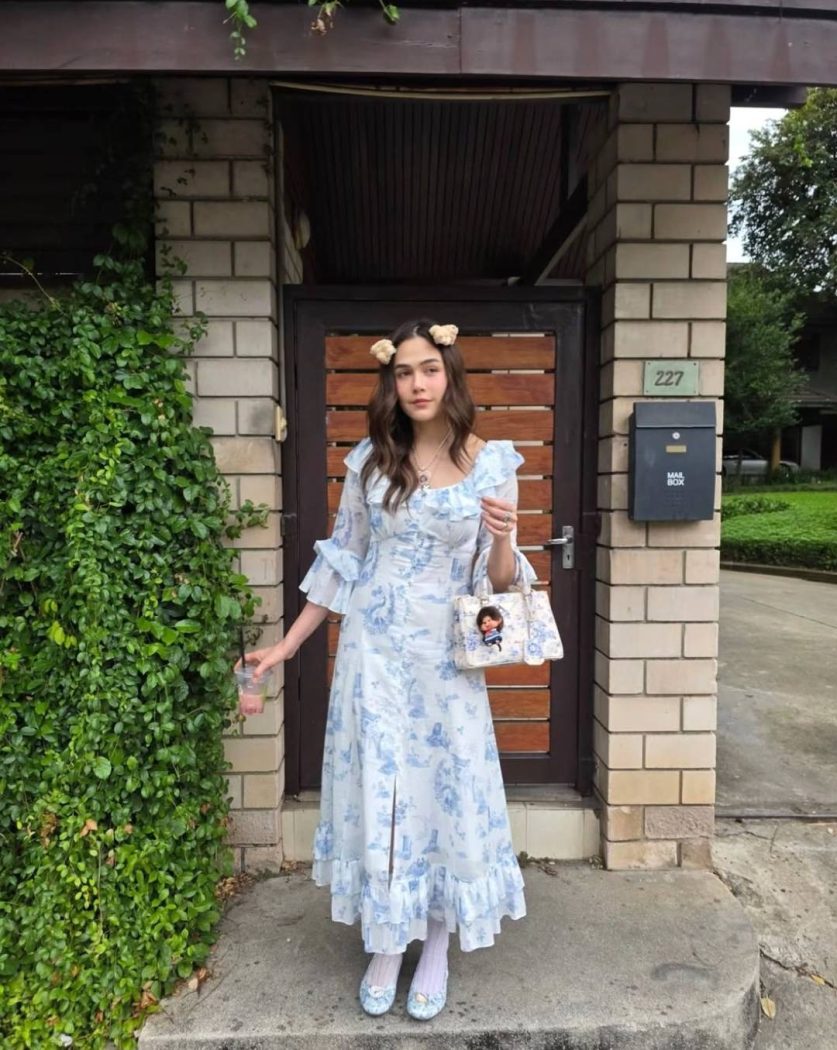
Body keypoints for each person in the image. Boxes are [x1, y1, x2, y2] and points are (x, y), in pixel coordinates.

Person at [236, 318, 536, 1021]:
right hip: (371, 656)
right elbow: (343, 562)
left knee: (442, 794)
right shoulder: (371, 461)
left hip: (446, 663)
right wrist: (285, 647)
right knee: (381, 793)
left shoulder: (493, 463)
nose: (417, 384)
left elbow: (497, 586)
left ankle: (435, 943)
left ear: (450, 375)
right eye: (403, 372)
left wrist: (503, 538)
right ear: (390, 383)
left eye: (429, 369)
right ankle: (386, 941)